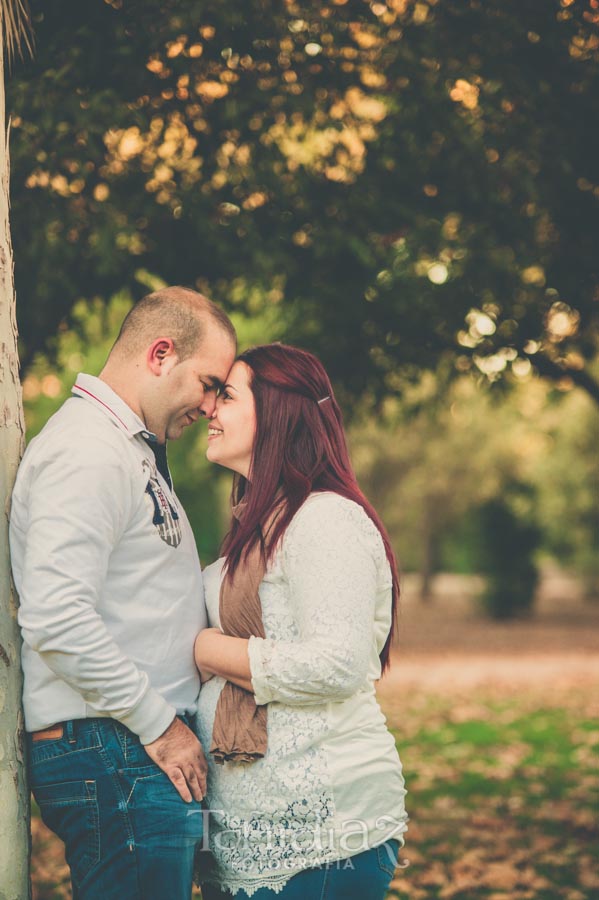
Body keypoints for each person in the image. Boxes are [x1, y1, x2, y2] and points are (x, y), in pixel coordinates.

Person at [9, 286, 236, 900]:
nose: (213, 406)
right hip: (118, 746)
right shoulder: (88, 451)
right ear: (161, 354)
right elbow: (56, 619)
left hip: (126, 747)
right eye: (210, 383)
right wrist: (160, 726)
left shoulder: (125, 450)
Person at [194, 343, 408, 900]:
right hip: (243, 839)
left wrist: (208, 650)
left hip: (325, 839)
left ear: (277, 412)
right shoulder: (257, 526)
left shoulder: (325, 519)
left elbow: (337, 664)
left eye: (227, 395)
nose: (210, 409)